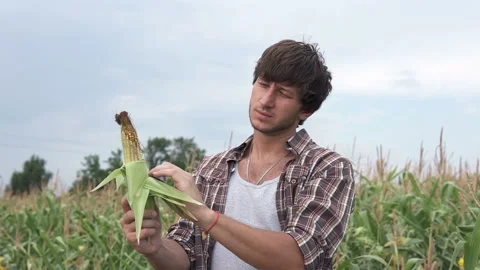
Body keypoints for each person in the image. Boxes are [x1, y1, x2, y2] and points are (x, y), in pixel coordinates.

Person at [121, 39, 356, 270]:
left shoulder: (328, 168)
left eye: (283, 93)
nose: (266, 101)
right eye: (263, 84)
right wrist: (157, 248)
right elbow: (187, 256)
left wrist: (206, 216)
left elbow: (299, 259)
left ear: (306, 109)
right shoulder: (212, 168)